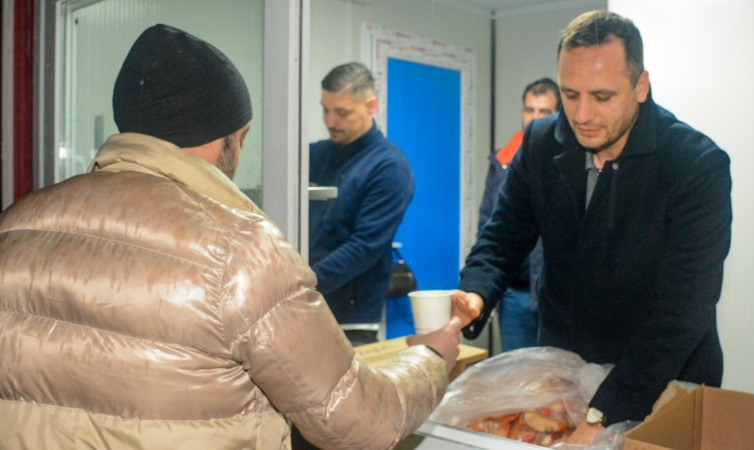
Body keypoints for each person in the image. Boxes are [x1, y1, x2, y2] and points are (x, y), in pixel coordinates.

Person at [0, 25, 463, 450]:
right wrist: (431, 358)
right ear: (225, 137)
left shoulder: (14, 225)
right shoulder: (238, 253)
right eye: (243, 137)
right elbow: (362, 421)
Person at [452, 10, 731, 444]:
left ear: (641, 86)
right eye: (570, 94)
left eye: (602, 96)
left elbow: (681, 314)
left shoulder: (695, 165)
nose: (582, 114)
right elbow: (503, 235)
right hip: (566, 373)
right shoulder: (541, 142)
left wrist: (603, 412)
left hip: (664, 382)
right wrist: (475, 292)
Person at [309, 62, 414, 347]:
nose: (330, 121)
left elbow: (364, 248)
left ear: (371, 105)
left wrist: (302, 283)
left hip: (351, 321)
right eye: (325, 110)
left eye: (341, 112)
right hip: (302, 308)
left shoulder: (390, 167)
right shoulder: (314, 155)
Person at [478, 78, 560, 352]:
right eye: (529, 110)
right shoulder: (502, 161)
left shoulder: (566, 161)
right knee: (516, 385)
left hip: (553, 297)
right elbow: (488, 224)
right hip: (513, 295)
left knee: (555, 383)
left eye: (544, 112)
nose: (534, 118)